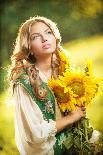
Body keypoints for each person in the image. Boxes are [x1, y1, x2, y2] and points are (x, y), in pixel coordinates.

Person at [9, 16, 86, 155]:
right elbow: (35, 134)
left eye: (48, 32)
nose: (44, 38)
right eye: (35, 37)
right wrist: (72, 118)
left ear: (55, 37)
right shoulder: (24, 82)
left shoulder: (63, 70)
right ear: (29, 48)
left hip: (72, 142)